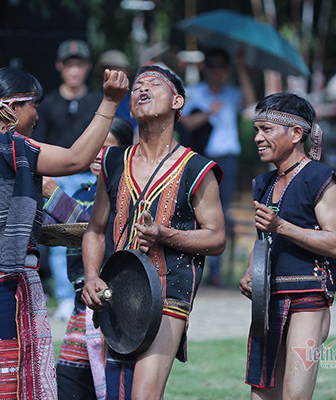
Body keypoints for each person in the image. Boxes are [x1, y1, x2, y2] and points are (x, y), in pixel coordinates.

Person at [0, 67, 128, 399]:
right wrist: (111, 101)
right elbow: (75, 159)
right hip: (1, 285)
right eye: (33, 104)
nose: (38, 113)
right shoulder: (14, 148)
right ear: (12, 108)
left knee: (11, 381)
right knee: (4, 388)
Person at [81, 65, 226, 399]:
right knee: (117, 393)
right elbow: (95, 230)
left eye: (153, 85)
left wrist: (165, 234)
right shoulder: (112, 161)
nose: (141, 90)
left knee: (144, 395)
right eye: (136, 87)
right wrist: (91, 277)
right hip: (117, 291)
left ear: (178, 101)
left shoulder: (196, 168)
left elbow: (216, 238)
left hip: (168, 294)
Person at [239, 92, 336, 399]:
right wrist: (251, 272)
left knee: (295, 397)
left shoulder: (320, 177)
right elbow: (263, 238)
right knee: (261, 395)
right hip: (269, 300)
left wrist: (281, 226)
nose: (258, 138)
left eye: (266, 130)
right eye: (256, 130)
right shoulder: (263, 184)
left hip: (308, 299)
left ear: (297, 133)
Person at [42, 117, 133, 400]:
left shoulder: (126, 193)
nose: (96, 153)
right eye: (94, 146)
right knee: (70, 384)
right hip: (84, 307)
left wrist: (53, 194)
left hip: (114, 306)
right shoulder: (88, 189)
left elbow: (94, 229)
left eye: (106, 147)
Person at [32, 39, 105, 321]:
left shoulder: (98, 100)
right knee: (61, 240)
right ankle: (64, 297)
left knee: (93, 233)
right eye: (69, 65)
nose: (74, 71)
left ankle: (90, 289)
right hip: (59, 181)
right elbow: (39, 144)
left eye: (80, 64)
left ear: (87, 67)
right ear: (60, 67)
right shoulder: (48, 103)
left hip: (93, 177)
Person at [180, 47, 256, 286]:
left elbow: (251, 103)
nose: (216, 70)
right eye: (211, 65)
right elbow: (185, 124)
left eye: (221, 65)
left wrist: (242, 68)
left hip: (227, 160)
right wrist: (208, 114)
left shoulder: (232, 94)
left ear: (226, 69)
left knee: (223, 212)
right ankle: (191, 266)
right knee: (195, 212)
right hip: (201, 159)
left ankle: (216, 269)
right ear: (205, 68)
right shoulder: (193, 93)